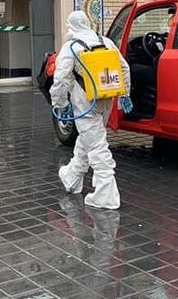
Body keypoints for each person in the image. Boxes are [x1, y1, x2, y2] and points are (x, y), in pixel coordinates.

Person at [51, 11, 131, 210]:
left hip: (84, 103)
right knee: (90, 138)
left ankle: (107, 195)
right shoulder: (106, 42)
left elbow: (61, 79)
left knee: (96, 146)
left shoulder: (71, 47)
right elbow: (124, 68)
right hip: (106, 99)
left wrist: (59, 104)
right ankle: (72, 177)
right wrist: (125, 94)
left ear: (71, 26)